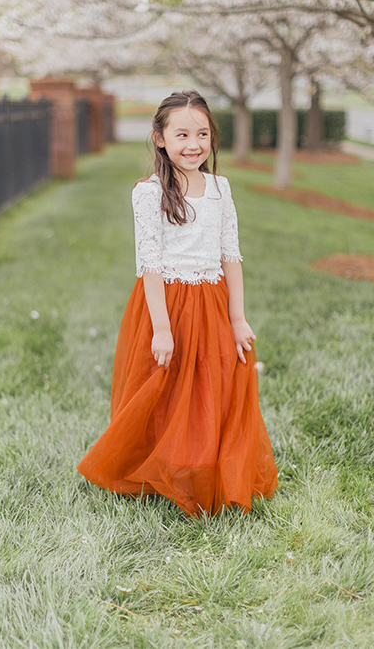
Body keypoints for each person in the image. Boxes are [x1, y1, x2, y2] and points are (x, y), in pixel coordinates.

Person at [77, 90, 277, 517]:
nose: (194, 144)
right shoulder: (149, 192)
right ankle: (156, 465)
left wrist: (237, 316)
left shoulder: (220, 187)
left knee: (216, 381)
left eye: (202, 133)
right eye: (182, 134)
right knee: (163, 385)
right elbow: (149, 263)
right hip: (164, 301)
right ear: (160, 138)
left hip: (213, 299)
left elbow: (231, 256)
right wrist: (163, 329)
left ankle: (207, 465)